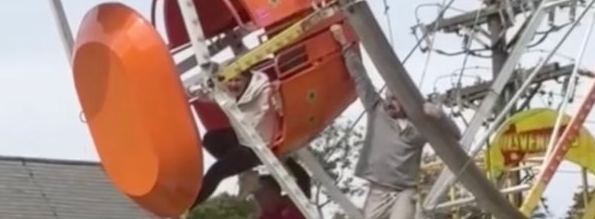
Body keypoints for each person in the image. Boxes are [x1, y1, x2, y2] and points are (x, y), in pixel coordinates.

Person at [330, 25, 461, 219]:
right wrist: (344, 43)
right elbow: (360, 77)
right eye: (387, 98)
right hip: (378, 190)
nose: (389, 103)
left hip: (404, 191)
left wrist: (440, 116)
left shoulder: (420, 126)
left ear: (406, 100)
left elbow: (456, 135)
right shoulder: (377, 110)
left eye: (394, 99)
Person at [191, 69, 312, 209]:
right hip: (247, 138)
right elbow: (304, 181)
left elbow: (304, 182)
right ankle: (244, 170)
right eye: (231, 81)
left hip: (254, 148)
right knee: (211, 139)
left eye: (257, 196)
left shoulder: (261, 91)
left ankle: (189, 206)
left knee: (217, 171)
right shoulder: (237, 91)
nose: (259, 201)